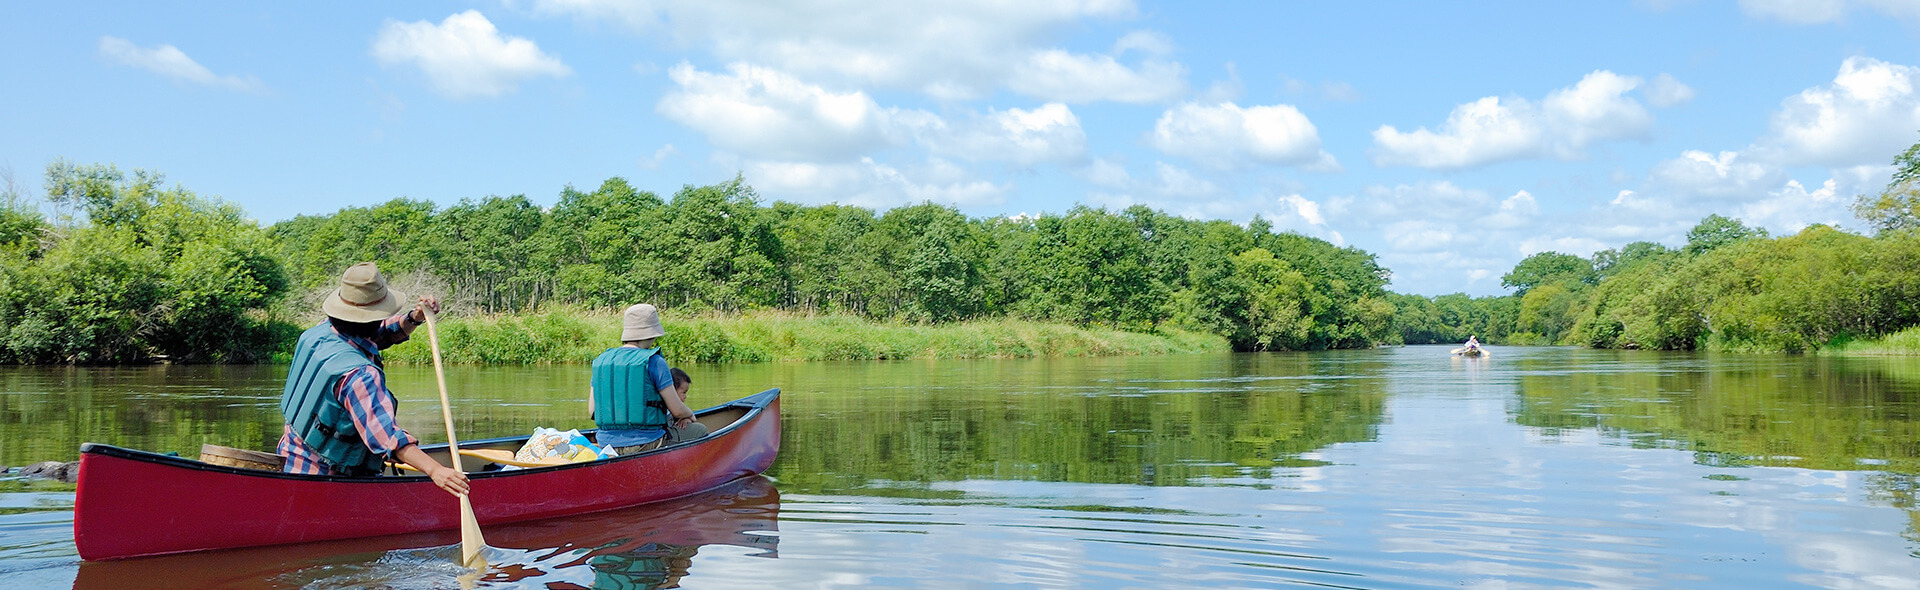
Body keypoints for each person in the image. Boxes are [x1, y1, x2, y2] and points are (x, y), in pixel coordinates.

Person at [277, 262, 469, 498]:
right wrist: (437, 470)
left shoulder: (321, 333)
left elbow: (377, 333)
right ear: (373, 319)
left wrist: (414, 318)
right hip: (330, 482)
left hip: (291, 459)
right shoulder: (361, 376)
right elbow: (388, 438)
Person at [589, 304, 704, 455]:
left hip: (605, 445)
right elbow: (677, 410)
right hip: (648, 443)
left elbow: (592, 411)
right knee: (700, 430)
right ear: (652, 334)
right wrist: (689, 414)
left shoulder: (601, 361)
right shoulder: (654, 361)